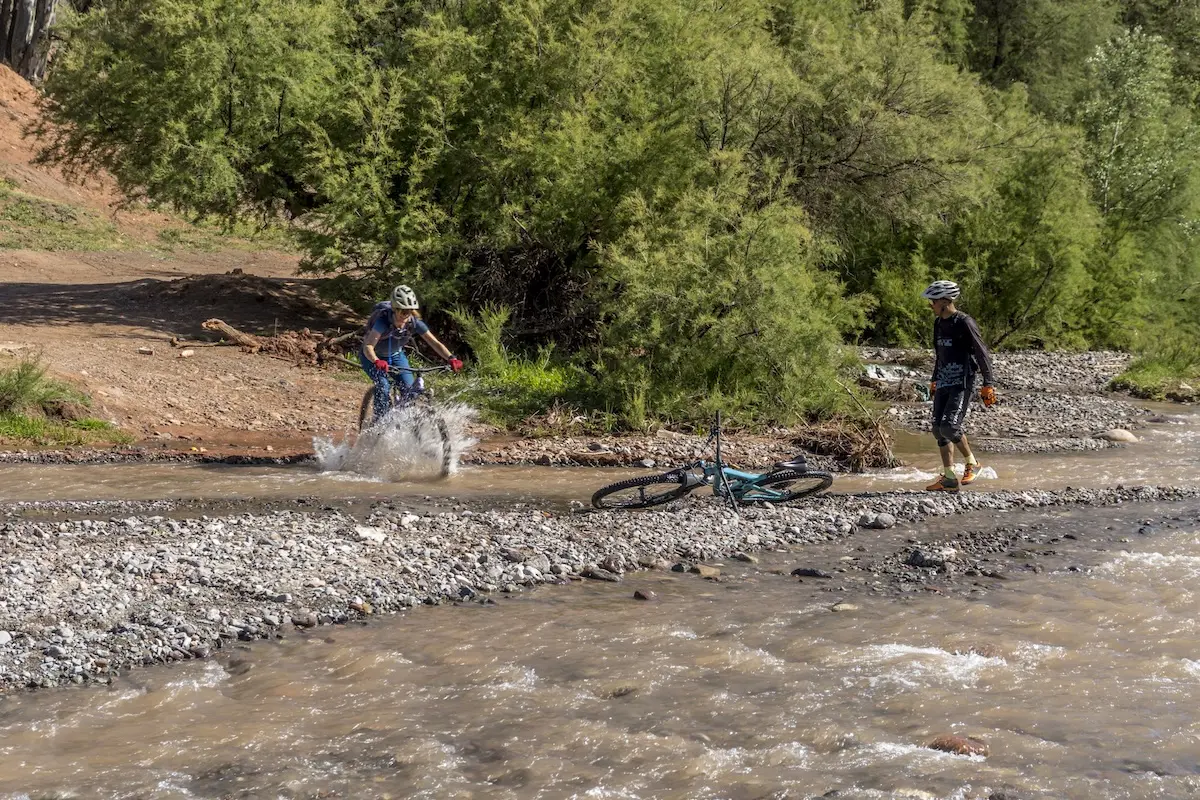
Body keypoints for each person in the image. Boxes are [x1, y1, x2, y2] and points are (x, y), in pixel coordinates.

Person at [921, 280, 997, 492]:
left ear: (945, 302)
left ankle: (973, 463)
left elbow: (982, 353)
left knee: (950, 427)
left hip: (962, 382)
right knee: (937, 429)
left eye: (933, 302)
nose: (931, 306)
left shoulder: (964, 322)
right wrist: (935, 379)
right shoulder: (938, 323)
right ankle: (949, 478)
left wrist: (988, 383)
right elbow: (940, 354)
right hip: (944, 380)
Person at [360, 284, 463, 424]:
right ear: (395, 309)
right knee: (383, 386)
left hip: (396, 356)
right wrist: (376, 360)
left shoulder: (414, 323)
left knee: (410, 391)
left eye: (409, 311)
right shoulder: (383, 321)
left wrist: (451, 358)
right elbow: (368, 346)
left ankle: (407, 425)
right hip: (372, 358)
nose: (406, 315)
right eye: (403, 312)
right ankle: (379, 422)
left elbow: (435, 343)